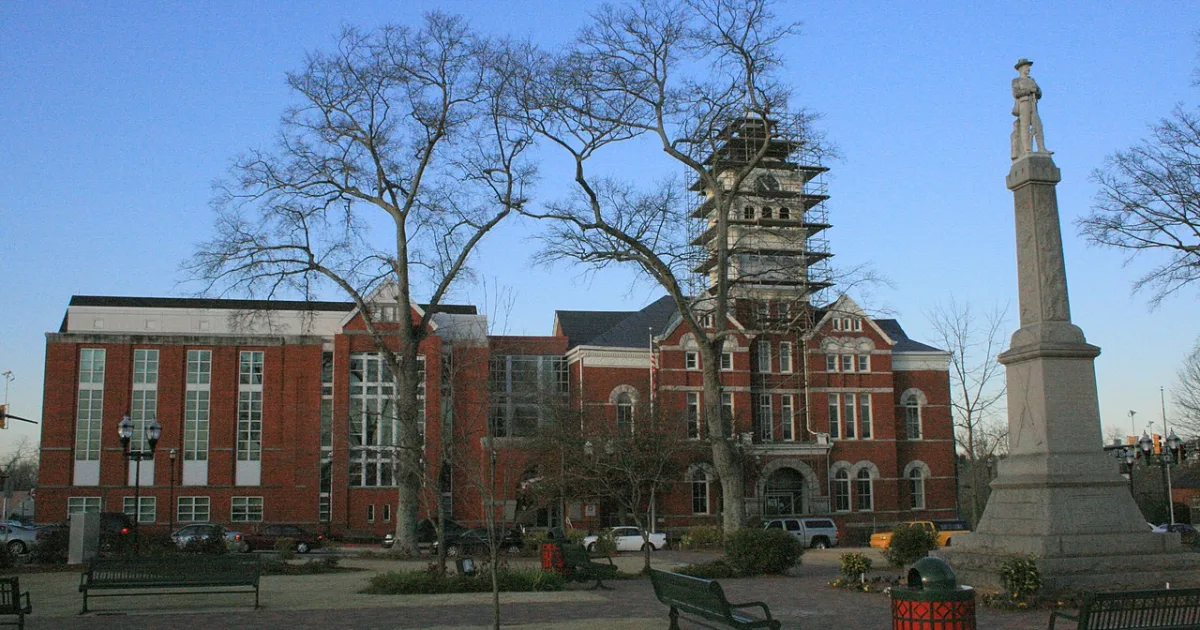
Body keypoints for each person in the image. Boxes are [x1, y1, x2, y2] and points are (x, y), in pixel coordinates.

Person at [1011, 58, 1047, 156]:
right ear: (1021, 68)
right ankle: (1027, 149)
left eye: (1028, 67)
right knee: (1025, 126)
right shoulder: (1016, 81)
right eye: (1026, 67)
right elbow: (1016, 93)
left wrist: (1036, 91)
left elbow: (1039, 93)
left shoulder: (1032, 80)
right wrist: (1029, 90)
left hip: (1033, 104)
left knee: (1038, 126)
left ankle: (1042, 148)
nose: (1028, 69)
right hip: (1024, 103)